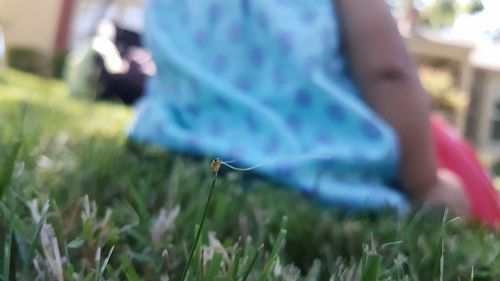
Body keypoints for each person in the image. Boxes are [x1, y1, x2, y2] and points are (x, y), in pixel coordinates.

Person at [129, 0, 469, 215]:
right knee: (451, 197)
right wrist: (426, 185)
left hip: (173, 148)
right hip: (314, 172)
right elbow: (388, 73)